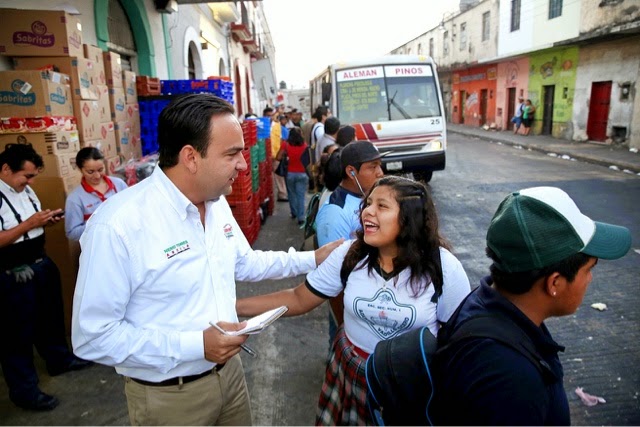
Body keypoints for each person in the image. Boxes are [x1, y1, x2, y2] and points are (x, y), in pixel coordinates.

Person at [71, 94, 341, 426]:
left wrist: (313, 258)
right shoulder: (118, 225)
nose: (243, 164)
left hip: (230, 377)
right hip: (170, 398)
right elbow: (93, 336)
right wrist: (195, 345)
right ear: (190, 157)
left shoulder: (214, 202)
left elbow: (244, 262)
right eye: (232, 154)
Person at [237, 175, 471, 425]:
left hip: (410, 384)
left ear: (409, 218)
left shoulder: (443, 266)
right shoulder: (350, 255)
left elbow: (459, 340)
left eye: (381, 206)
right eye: (368, 203)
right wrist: (233, 307)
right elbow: (297, 298)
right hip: (350, 374)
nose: (367, 212)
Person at [431, 186, 631, 426]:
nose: (590, 279)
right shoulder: (510, 379)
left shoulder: (487, 303)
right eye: (588, 269)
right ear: (554, 282)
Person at [0, 144, 92, 411]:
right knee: (16, 334)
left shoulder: (25, 190)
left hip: (40, 262)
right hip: (13, 271)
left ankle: (59, 359)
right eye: (26, 176)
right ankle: (24, 390)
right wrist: (29, 224)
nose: (30, 182)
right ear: (6, 169)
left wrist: (45, 220)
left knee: (49, 316)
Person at [315, 140, 386, 345]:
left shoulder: (370, 197)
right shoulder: (335, 212)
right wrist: (342, 326)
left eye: (379, 165)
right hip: (348, 308)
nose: (380, 172)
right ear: (351, 172)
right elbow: (332, 275)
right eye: (372, 167)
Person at [64, 147, 128, 241]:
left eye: (100, 169)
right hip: (98, 248)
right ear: (80, 169)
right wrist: (98, 223)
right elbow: (72, 233)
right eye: (90, 172)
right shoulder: (75, 198)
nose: (97, 176)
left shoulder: (119, 184)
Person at [278, 127, 309, 225]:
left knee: (291, 194)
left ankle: (294, 212)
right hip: (303, 173)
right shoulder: (305, 145)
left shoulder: (285, 145)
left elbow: (278, 157)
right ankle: (301, 217)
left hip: (290, 173)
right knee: (301, 195)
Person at [265, 107, 287, 201]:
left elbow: (284, 140)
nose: (269, 118)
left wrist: (280, 155)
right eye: (267, 116)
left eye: (271, 115)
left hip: (277, 156)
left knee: (278, 175)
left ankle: (282, 194)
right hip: (265, 156)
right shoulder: (263, 128)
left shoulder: (278, 127)